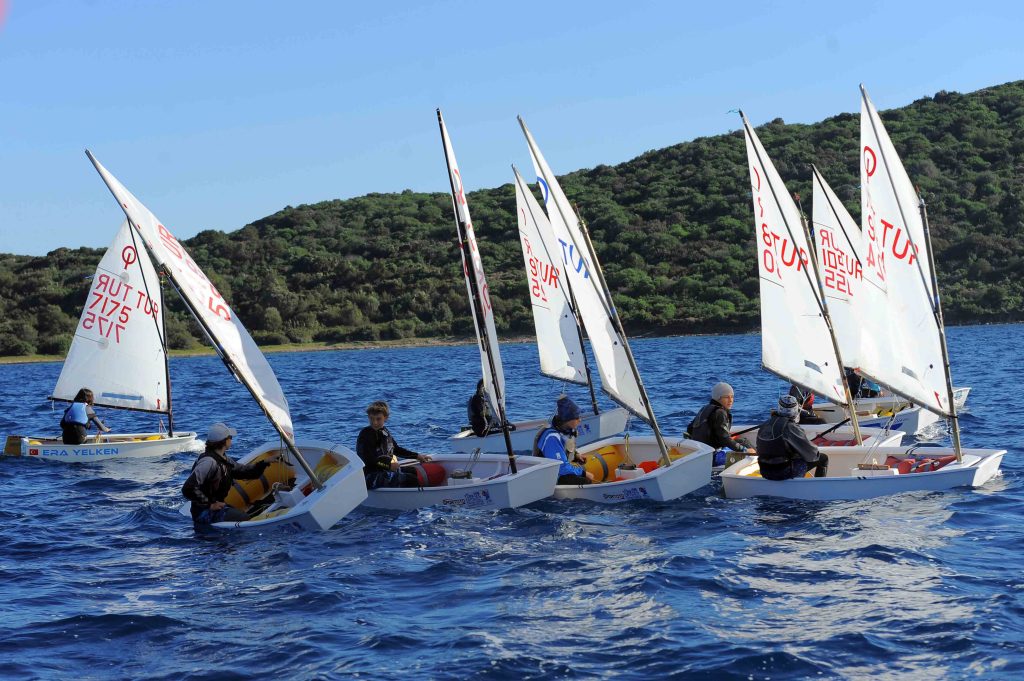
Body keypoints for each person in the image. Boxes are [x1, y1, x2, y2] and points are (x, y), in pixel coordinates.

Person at [181, 423, 276, 525]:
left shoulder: (223, 459)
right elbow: (188, 488)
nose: (231, 439)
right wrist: (210, 504)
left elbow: (245, 472)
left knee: (244, 513)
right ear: (224, 441)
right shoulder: (208, 462)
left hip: (215, 506)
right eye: (230, 437)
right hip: (204, 513)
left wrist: (265, 462)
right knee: (244, 518)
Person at [356, 400, 431, 489]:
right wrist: (389, 465)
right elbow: (369, 460)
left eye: (378, 419)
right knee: (411, 479)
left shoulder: (384, 432)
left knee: (413, 471)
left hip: (384, 470)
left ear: (386, 417)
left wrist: (417, 456)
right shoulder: (366, 435)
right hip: (371, 477)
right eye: (371, 419)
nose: (374, 422)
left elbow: (396, 449)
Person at [756, 395, 830, 480]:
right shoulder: (791, 427)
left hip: (765, 472)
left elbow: (760, 450)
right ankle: (818, 488)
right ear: (795, 410)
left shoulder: (765, 424)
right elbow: (812, 455)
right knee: (823, 458)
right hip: (783, 473)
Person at [686, 382, 755, 465]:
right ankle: (759, 461)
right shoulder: (720, 412)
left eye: (732, 397)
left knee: (741, 440)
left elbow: (690, 429)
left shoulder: (705, 408)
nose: (731, 400)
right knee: (744, 444)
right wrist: (745, 450)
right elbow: (725, 439)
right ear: (718, 398)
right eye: (726, 397)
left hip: (701, 454)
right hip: (713, 457)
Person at [533, 396, 594, 485]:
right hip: (547, 478)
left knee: (582, 470)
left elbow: (564, 447)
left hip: (558, 472)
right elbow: (561, 468)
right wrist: (584, 474)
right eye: (576, 417)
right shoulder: (551, 437)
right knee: (586, 480)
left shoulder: (565, 430)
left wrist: (576, 455)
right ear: (568, 419)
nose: (580, 420)